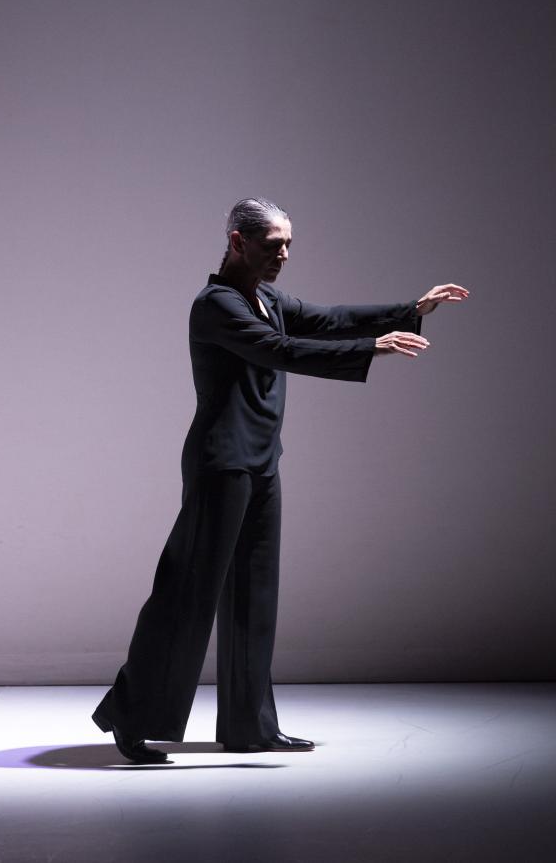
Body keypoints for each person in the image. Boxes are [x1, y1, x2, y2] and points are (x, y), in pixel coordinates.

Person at [92, 197, 469, 763]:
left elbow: (327, 318)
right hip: (221, 464)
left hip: (262, 460)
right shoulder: (216, 305)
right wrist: (372, 347)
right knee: (187, 594)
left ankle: (250, 726)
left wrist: (410, 308)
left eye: (289, 244)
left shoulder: (268, 299)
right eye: (274, 244)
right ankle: (132, 716)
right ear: (238, 242)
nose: (284, 254)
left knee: (254, 597)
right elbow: (280, 350)